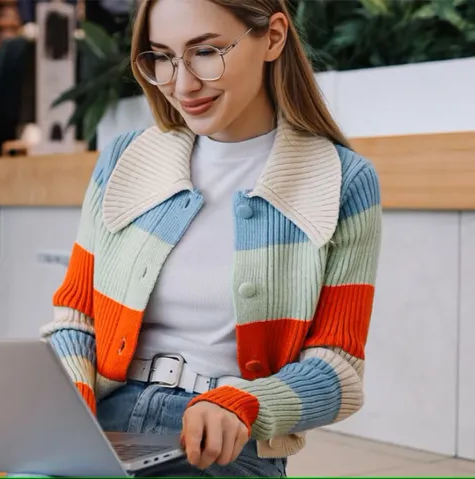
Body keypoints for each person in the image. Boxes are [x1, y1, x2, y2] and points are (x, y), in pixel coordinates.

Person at [41, 0, 382, 476]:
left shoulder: (342, 181)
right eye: (162, 57)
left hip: (225, 444)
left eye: (205, 52)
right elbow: (75, 320)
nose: (182, 84)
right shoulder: (124, 159)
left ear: (274, 37)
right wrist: (67, 403)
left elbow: (339, 371)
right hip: (102, 424)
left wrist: (242, 402)